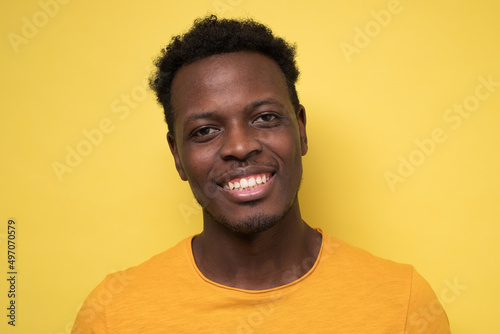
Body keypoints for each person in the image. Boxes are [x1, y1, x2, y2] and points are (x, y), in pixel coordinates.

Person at [72, 15, 451, 333]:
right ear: (177, 154)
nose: (239, 146)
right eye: (205, 130)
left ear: (301, 129)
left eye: (265, 118)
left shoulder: (403, 303)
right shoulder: (112, 314)